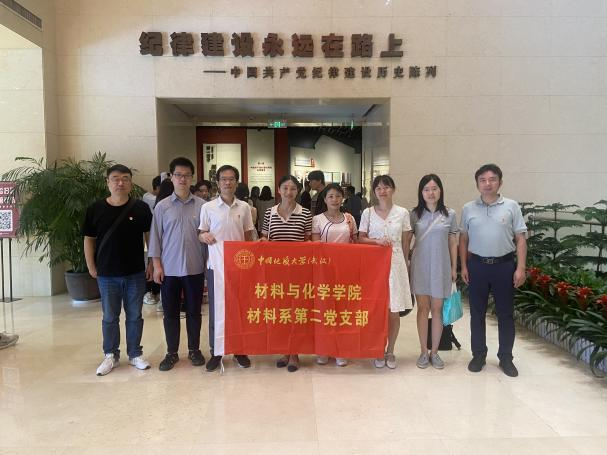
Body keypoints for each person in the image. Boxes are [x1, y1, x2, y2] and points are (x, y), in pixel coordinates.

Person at [83, 164, 153, 376]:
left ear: (130, 183)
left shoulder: (141, 208)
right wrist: (91, 266)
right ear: (108, 182)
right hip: (106, 274)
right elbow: (89, 239)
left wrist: (151, 262)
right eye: (115, 178)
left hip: (135, 272)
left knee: (135, 316)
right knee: (110, 317)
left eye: (125, 178)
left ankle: (135, 354)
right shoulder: (95, 209)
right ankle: (110, 355)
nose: (120, 182)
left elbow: (149, 237)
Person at [459, 164, 527, 377]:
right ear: (477, 183)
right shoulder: (468, 208)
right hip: (477, 266)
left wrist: (521, 268)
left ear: (500, 182)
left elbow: (520, 238)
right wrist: (464, 266)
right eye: (483, 180)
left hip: (504, 267)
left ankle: (506, 357)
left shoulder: (511, 206)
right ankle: (478, 355)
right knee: (477, 313)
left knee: (505, 314)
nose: (487, 184)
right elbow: (463, 239)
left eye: (492, 179)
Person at [149, 157, 206, 372]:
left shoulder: (202, 206)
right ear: (171, 177)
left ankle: (194, 350)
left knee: (194, 312)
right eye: (178, 175)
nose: (183, 179)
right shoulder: (162, 207)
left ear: (192, 178)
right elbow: (155, 238)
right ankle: (171, 352)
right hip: (169, 269)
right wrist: (157, 266)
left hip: (195, 268)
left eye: (187, 175)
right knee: (170, 313)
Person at [199, 165, 256, 372]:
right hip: (216, 267)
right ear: (217, 182)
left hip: (239, 267)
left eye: (231, 179)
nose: (227, 182)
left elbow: (248, 237)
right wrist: (204, 236)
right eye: (223, 179)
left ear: (237, 182)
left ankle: (240, 350)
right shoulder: (208, 207)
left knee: (239, 309)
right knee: (216, 310)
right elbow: (201, 233)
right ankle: (216, 352)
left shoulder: (244, 207)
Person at [358, 175, 413, 369]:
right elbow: (360, 238)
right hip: (374, 265)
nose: (383, 191)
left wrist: (406, 265)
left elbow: (406, 241)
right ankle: (377, 349)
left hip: (396, 263)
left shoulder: (402, 212)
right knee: (376, 310)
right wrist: (376, 241)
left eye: (386, 187)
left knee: (393, 311)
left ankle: (390, 350)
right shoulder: (368, 213)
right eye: (379, 188)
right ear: (374, 192)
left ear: (393, 189)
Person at [405, 174, 458, 370]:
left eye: (434, 188)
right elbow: (406, 241)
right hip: (420, 266)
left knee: (437, 309)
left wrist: (454, 267)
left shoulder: (450, 214)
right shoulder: (414, 214)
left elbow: (452, 242)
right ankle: (423, 351)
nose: (431, 193)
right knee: (423, 308)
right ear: (421, 193)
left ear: (440, 190)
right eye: (426, 189)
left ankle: (434, 352)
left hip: (441, 267)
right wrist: (405, 264)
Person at [261, 175, 312, 372]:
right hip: (276, 271)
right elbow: (265, 237)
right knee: (280, 312)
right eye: (285, 188)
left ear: (298, 191)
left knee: (296, 311)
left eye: (293, 188)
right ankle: (285, 350)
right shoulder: (270, 212)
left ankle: (295, 353)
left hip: (298, 272)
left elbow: (307, 240)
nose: (288, 192)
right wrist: (264, 242)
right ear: (279, 190)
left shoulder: (305, 213)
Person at [311, 183, 357, 367]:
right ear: (324, 199)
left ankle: (340, 349)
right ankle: (324, 349)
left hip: (345, 271)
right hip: (324, 272)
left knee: (342, 311)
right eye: (330, 196)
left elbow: (355, 243)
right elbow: (316, 246)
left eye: (338, 196)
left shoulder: (349, 219)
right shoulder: (317, 219)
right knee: (324, 311)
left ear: (342, 198)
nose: (335, 200)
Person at [143, 175, 162, 306]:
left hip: (154, 236)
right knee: (151, 265)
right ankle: (150, 292)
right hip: (150, 235)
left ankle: (155, 291)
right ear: (157, 188)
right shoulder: (147, 197)